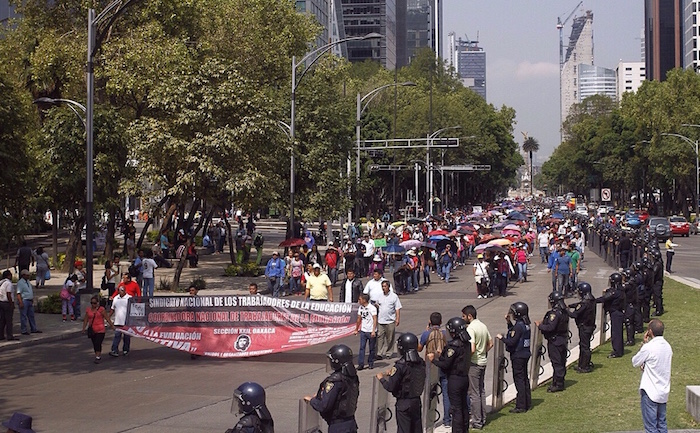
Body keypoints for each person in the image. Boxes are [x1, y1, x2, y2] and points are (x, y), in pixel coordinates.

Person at [427, 317, 471, 433]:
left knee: (456, 409)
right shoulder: (466, 344)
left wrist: (433, 360)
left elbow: (446, 364)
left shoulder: (453, 346)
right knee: (464, 407)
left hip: (455, 379)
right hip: (464, 378)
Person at [377, 333, 426, 433]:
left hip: (404, 403)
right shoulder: (420, 362)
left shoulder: (400, 366)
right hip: (416, 401)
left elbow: (391, 387)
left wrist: (382, 379)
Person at [305, 344, 359, 433]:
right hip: (351, 423)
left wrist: (312, 400)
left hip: (338, 427)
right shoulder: (352, 378)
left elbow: (324, 406)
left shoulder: (335, 381)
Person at [631, 319, 673, 433]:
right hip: (663, 391)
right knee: (662, 424)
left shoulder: (649, 347)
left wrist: (644, 343)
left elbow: (635, 361)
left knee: (651, 428)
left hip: (650, 391)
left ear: (650, 331)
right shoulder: (668, 347)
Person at [497, 302, 531, 413]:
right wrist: (508, 322)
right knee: (524, 379)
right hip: (525, 354)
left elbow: (512, 341)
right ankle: (527, 402)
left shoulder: (519, 326)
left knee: (519, 380)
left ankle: (521, 405)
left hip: (518, 355)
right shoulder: (525, 325)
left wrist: (502, 338)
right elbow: (514, 333)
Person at [417, 312, 450, 427]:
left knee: (430, 393)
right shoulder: (445, 333)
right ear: (441, 322)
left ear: (430, 322)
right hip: (443, 365)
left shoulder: (426, 334)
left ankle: (429, 420)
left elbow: (419, 349)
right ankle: (447, 420)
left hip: (430, 365)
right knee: (446, 393)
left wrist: (426, 332)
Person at [463, 305, 493, 429]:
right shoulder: (483, 326)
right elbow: (490, 343)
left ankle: (476, 420)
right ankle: (483, 417)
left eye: (464, 316)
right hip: (483, 361)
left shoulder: (471, 328)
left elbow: (472, 348)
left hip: (474, 363)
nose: (463, 318)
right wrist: (483, 352)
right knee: (481, 391)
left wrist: (466, 359)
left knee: (474, 393)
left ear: (470, 316)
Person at [536, 291, 569, 392]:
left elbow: (550, 327)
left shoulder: (554, 313)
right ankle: (557, 380)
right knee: (561, 361)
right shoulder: (564, 311)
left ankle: (558, 384)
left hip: (555, 341)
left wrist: (540, 325)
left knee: (557, 362)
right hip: (563, 339)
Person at [567, 282, 597, 373]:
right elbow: (579, 304)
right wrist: (572, 305)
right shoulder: (591, 300)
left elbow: (574, 314)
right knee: (584, 345)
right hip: (589, 326)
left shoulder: (584, 303)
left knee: (585, 347)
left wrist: (565, 310)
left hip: (584, 327)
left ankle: (585, 366)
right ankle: (582, 364)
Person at [597, 272, 626, 358]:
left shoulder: (615, 292)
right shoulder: (621, 290)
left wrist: (592, 301)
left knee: (616, 333)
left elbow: (604, 298)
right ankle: (619, 350)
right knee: (618, 332)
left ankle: (617, 351)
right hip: (618, 313)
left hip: (616, 313)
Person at [82, 295, 114, 363]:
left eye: (94, 303)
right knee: (94, 343)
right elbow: (86, 319)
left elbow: (107, 318)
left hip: (100, 329)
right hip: (92, 330)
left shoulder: (101, 309)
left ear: (97, 303)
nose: (93, 304)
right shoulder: (88, 310)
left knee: (98, 343)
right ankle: (97, 354)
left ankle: (98, 357)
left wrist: (111, 325)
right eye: (92, 303)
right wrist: (83, 328)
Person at [375, 280, 401, 360]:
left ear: (388, 287)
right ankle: (379, 353)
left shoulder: (394, 296)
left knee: (390, 338)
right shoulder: (379, 296)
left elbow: (397, 308)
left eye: (385, 286)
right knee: (380, 337)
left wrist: (397, 319)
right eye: (382, 286)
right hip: (380, 320)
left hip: (390, 321)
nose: (383, 288)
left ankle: (389, 353)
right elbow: (377, 305)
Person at [354, 293, 377, 370]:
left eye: (360, 299)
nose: (359, 301)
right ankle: (361, 364)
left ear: (364, 300)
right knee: (362, 347)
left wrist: (373, 330)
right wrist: (356, 329)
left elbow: (374, 319)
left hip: (370, 331)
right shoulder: (361, 308)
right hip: (363, 330)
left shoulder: (372, 308)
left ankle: (370, 362)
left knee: (371, 348)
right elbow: (359, 319)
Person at [109, 285, 133, 357]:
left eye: (122, 290)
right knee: (117, 336)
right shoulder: (116, 298)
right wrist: (108, 317)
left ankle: (126, 350)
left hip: (127, 322)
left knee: (126, 337)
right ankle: (114, 350)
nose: (121, 292)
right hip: (118, 321)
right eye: (120, 290)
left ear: (125, 290)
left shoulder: (130, 298)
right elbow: (112, 309)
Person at [16, 269, 41, 335]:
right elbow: (18, 293)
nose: (28, 276)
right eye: (27, 275)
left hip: (29, 300)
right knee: (23, 316)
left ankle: (33, 328)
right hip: (24, 300)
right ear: (23, 275)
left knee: (31, 315)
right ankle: (23, 330)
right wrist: (20, 302)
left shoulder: (28, 282)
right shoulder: (20, 283)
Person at [0, 270, 17, 341]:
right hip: (7, 303)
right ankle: (9, 336)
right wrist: (11, 304)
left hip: (1, 302)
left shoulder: (1, 283)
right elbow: (8, 294)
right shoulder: (8, 283)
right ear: (9, 276)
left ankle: (1, 335)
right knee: (9, 320)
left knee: (2, 320)